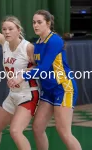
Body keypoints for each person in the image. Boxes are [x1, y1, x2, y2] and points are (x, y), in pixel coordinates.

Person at [8, 10, 82, 150]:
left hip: (63, 88)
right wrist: (19, 74)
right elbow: (37, 67)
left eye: (39, 22)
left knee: (64, 132)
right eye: (34, 22)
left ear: (48, 23)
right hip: (48, 90)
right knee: (37, 128)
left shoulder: (54, 40)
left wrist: (21, 77)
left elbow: (43, 69)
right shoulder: (37, 43)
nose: (35, 25)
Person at [0, 0, 39, 150]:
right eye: (4, 29)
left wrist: (22, 74)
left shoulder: (28, 47)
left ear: (18, 30)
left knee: (15, 131)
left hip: (28, 94)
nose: (6, 32)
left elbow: (41, 68)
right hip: (13, 95)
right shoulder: (5, 43)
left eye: (10, 29)